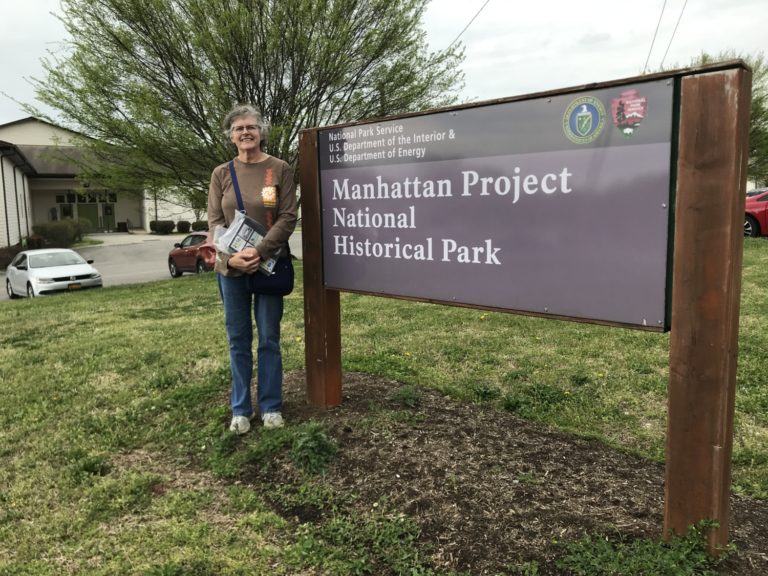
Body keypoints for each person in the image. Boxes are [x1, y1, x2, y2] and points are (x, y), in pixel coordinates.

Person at [208, 104, 297, 434]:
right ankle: (241, 409)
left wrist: (259, 251)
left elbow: (288, 216)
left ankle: (271, 406)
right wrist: (231, 258)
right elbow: (215, 222)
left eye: (251, 127)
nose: (245, 132)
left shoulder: (279, 169)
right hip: (231, 270)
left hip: (269, 266)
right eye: (238, 128)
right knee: (238, 339)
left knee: (269, 338)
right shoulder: (221, 174)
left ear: (261, 132)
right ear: (231, 136)